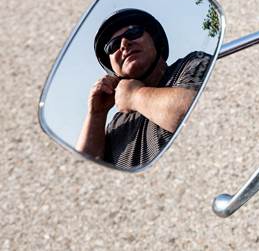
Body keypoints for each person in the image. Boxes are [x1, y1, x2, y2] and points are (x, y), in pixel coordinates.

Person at [75, 9, 211, 169]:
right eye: (113, 45)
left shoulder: (191, 64)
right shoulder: (117, 124)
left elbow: (203, 117)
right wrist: (96, 114)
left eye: (133, 32)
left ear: (155, 40)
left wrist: (134, 96)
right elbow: (85, 171)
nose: (124, 44)